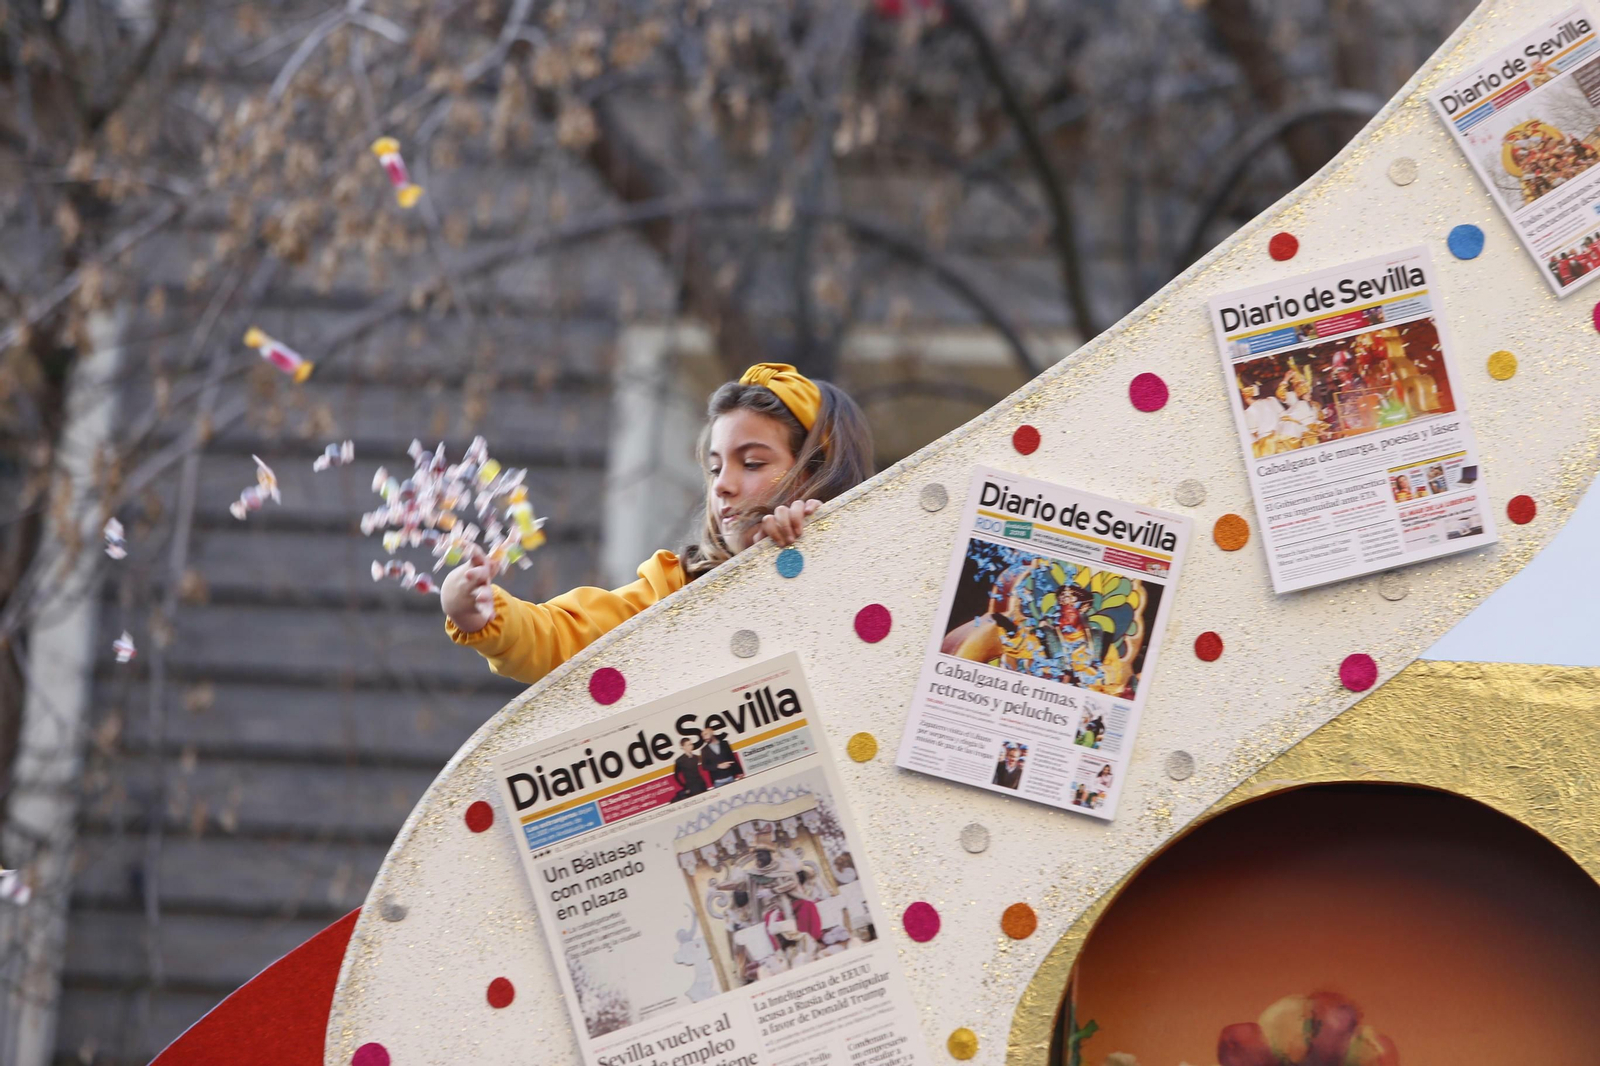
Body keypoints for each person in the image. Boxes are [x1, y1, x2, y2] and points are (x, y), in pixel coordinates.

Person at [442, 364, 874, 684]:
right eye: (715, 467)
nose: (722, 485)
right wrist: (484, 615)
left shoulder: (871, 563)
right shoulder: (676, 590)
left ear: (811, 471)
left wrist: (824, 555)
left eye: (753, 463)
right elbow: (569, 637)